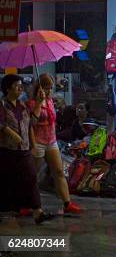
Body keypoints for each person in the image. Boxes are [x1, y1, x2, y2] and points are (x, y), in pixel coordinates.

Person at [0, 74, 53, 224]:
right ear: (8, 88)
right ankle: (9, 212)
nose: (20, 88)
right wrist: (13, 135)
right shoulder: (2, 105)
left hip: (23, 150)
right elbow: (1, 124)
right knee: (8, 182)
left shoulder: (22, 105)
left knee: (30, 177)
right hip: (7, 150)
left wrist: (39, 102)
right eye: (17, 86)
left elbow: (31, 123)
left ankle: (38, 211)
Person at [28, 74, 82, 214]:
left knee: (58, 172)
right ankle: (27, 204)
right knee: (33, 175)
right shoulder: (33, 103)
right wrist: (39, 103)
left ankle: (67, 202)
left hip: (51, 141)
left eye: (51, 88)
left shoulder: (51, 101)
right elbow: (32, 124)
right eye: (46, 88)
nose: (49, 91)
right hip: (38, 142)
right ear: (39, 88)